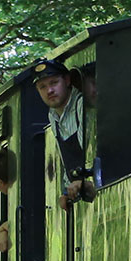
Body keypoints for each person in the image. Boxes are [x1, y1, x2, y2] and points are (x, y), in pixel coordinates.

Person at [30, 57, 97, 208]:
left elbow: (91, 151)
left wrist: (84, 181)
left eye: (54, 83)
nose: (49, 90)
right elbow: (64, 157)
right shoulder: (52, 116)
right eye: (42, 87)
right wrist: (66, 191)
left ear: (67, 80)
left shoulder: (81, 105)